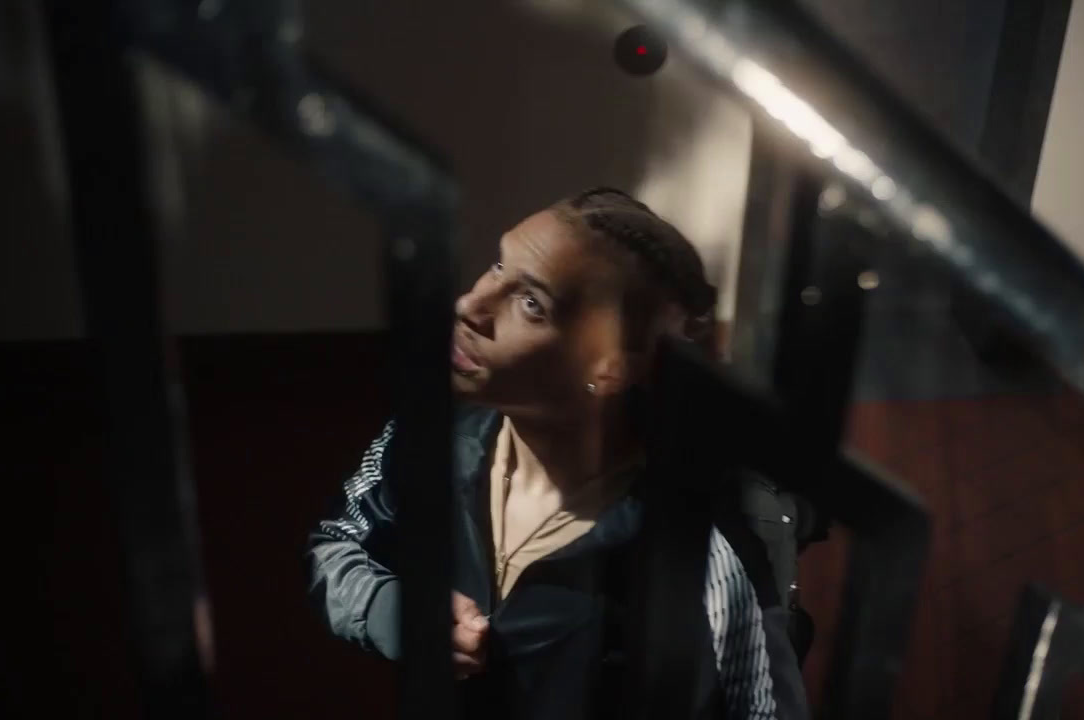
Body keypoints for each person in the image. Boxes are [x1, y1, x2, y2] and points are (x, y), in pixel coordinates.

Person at [306, 188, 811, 719]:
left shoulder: (705, 537)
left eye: (530, 303)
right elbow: (335, 544)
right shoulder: (425, 439)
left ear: (608, 368)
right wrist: (392, 610)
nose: (471, 306)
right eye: (498, 264)